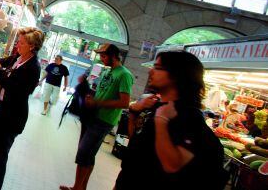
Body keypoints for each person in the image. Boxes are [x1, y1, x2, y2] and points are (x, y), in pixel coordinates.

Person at [115, 50, 227, 189]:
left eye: (158, 68)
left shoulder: (189, 117)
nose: (151, 72)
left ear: (178, 75)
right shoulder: (158, 107)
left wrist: (161, 121)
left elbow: (172, 164)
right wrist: (134, 113)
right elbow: (138, 146)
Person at [61, 43, 133, 190]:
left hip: (104, 120)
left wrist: (97, 102)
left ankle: (77, 188)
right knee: (88, 154)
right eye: (100, 55)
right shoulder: (107, 72)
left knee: (84, 151)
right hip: (92, 116)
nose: (101, 58)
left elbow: (124, 102)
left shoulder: (124, 74)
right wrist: (88, 93)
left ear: (113, 56)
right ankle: (80, 187)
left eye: (104, 55)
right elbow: (100, 93)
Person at [0, 27, 44, 190]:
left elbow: (11, 86)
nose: (17, 45)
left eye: (21, 43)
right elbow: (5, 61)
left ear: (31, 46)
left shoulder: (32, 68)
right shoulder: (20, 57)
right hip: (3, 112)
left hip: (12, 118)